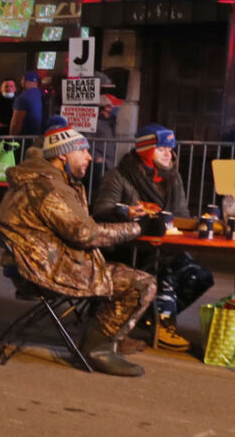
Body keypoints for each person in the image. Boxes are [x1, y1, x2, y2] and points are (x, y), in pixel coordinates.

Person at [0, 120, 154, 377]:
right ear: (62, 154)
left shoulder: (44, 181)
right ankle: (98, 349)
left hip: (41, 262)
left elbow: (78, 225)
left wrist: (122, 217)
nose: (90, 157)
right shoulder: (49, 187)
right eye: (83, 151)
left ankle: (104, 337)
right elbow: (85, 233)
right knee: (143, 283)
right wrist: (138, 228)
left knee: (117, 268)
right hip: (48, 270)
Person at [90, 124, 211, 352]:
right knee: (166, 267)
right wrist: (127, 212)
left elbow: (182, 215)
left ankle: (149, 318)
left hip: (164, 244)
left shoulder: (173, 179)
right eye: (162, 148)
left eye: (171, 149)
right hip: (128, 246)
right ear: (146, 150)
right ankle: (164, 327)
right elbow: (101, 211)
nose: (169, 154)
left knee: (200, 276)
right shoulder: (119, 176)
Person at [8, 71, 45, 136]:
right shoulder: (42, 96)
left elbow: (16, 122)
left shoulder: (22, 98)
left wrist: (11, 138)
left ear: (24, 81)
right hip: (41, 137)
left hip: (25, 138)